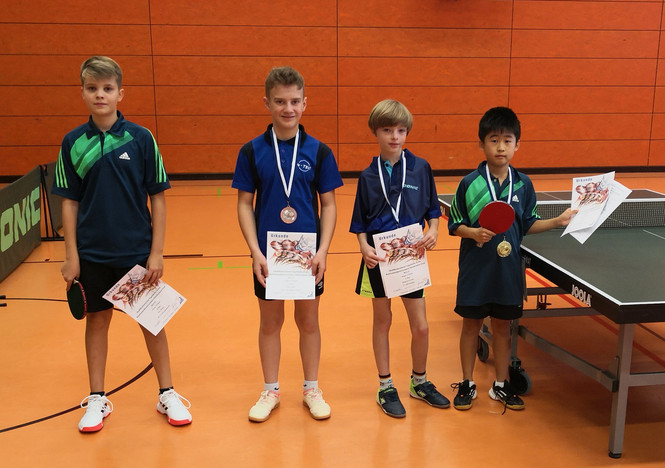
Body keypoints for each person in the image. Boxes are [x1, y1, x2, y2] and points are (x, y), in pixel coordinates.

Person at [52, 56, 192, 432]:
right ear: (83, 92)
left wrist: (156, 252)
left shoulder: (141, 138)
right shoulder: (73, 143)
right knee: (97, 322)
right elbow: (69, 203)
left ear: (120, 93)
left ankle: (167, 393)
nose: (100, 95)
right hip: (93, 254)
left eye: (107, 88)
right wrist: (71, 256)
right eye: (92, 88)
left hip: (136, 251)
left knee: (152, 323)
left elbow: (157, 198)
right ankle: (97, 398)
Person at [232, 66, 343, 422]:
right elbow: (244, 204)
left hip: (308, 255)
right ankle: (271, 390)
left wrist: (324, 250)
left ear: (305, 103)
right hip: (269, 255)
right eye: (280, 101)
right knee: (270, 322)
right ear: (267, 103)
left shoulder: (319, 151)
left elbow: (329, 204)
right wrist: (254, 251)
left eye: (295, 101)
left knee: (308, 321)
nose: (288, 108)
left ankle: (311, 388)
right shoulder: (251, 151)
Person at [447, 106, 575, 411]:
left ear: (517, 145)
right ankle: (467, 382)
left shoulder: (523, 184)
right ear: (481, 144)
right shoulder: (469, 183)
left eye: (507, 140)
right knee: (471, 326)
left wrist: (557, 221)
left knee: (503, 329)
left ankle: (501, 385)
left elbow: (528, 223)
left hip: (507, 271)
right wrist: (473, 233)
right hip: (475, 270)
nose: (501, 147)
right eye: (494, 140)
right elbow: (454, 225)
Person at [350, 99, 450, 418]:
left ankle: (419, 382)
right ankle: (385, 387)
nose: (395, 136)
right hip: (378, 259)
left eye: (401, 130)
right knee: (383, 321)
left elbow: (432, 210)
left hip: (411, 256)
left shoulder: (420, 168)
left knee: (420, 326)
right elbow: (360, 223)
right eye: (387, 130)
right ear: (375, 132)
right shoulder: (368, 176)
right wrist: (363, 247)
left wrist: (434, 230)